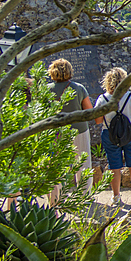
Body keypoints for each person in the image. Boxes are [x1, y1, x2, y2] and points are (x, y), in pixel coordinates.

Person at [94, 68, 131, 206]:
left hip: (110, 134)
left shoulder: (102, 99)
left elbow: (98, 121)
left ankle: (116, 196)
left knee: (114, 165)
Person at [47, 58, 94, 206]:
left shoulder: (46, 89)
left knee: (55, 166)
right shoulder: (79, 88)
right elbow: (89, 111)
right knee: (83, 162)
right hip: (79, 129)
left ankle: (55, 199)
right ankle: (84, 197)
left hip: (56, 132)